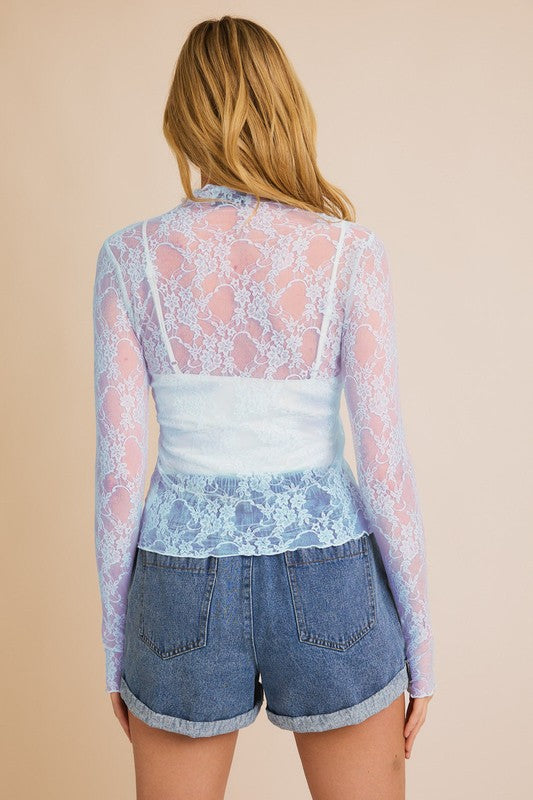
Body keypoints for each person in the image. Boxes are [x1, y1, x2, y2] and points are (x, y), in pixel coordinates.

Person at [92, 14, 435, 799]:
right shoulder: (348, 253)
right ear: (289, 108)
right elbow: (384, 460)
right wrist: (421, 645)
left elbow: (117, 476)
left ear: (181, 118)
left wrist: (115, 650)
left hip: (177, 586)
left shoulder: (128, 258)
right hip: (330, 578)